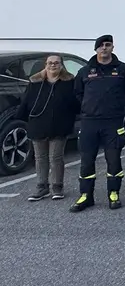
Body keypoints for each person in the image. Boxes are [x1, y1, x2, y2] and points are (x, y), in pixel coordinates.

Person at [70, 35, 125, 212]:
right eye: (101, 46)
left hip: (113, 122)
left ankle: (113, 193)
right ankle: (86, 195)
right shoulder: (85, 71)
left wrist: (119, 107)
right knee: (86, 160)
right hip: (89, 122)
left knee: (113, 159)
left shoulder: (124, 70)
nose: (104, 48)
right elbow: (77, 94)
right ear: (96, 49)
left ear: (113, 47)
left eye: (108, 45)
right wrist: (87, 107)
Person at [17, 55, 79, 201]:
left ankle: (57, 187)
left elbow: (76, 103)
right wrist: (22, 118)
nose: (53, 65)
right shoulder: (35, 82)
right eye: (50, 63)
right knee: (40, 158)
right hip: (38, 124)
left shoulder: (69, 82)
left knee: (56, 157)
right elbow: (26, 102)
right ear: (45, 65)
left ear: (62, 66)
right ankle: (42, 187)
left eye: (57, 63)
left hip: (60, 125)